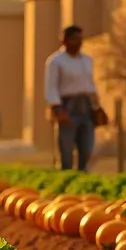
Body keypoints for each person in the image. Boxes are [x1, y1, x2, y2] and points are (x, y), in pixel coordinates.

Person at [44, 25, 101, 172]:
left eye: (80, 39)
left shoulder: (87, 60)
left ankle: (82, 178)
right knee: (66, 150)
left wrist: (96, 105)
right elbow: (51, 86)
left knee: (87, 148)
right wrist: (57, 109)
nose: (79, 43)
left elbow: (90, 84)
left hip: (86, 106)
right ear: (65, 41)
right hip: (67, 106)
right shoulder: (56, 61)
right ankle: (66, 177)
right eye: (75, 39)